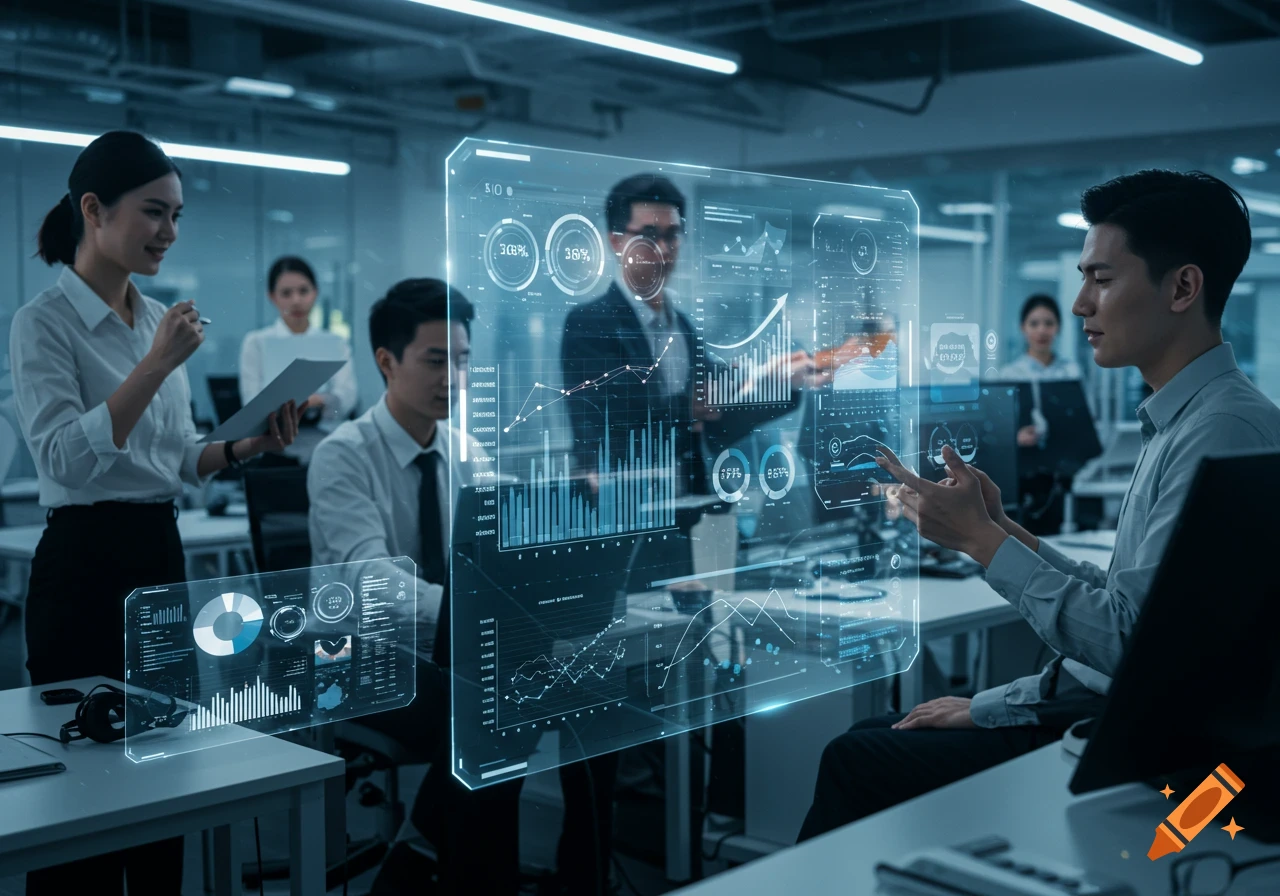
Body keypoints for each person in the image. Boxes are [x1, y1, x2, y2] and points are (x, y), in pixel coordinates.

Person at [800, 169, 1280, 839]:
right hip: (1128, 725)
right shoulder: (1193, 420)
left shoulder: (1220, 433)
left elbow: (1131, 646)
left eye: (1103, 280)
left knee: (856, 757)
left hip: (1156, 757)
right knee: (878, 736)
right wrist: (999, 528)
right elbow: (1134, 608)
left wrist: (982, 545)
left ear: (1183, 287)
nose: (1080, 304)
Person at [13, 130, 305, 893]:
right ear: (93, 211)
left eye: (177, 216)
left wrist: (246, 445)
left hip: (158, 559)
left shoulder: (155, 321)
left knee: (162, 785)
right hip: (83, 564)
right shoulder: (42, 323)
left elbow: (178, 460)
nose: (169, 234)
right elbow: (63, 461)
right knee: (76, 805)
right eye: (153, 213)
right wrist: (155, 365)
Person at [559, 173, 819, 894]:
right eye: (649, 234)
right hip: (625, 532)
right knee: (615, 707)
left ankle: (692, 845)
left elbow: (718, 416)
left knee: (700, 685)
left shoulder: (681, 323)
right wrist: (693, 406)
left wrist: (783, 382)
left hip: (690, 529)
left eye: (673, 234)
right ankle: (590, 869)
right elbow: (605, 429)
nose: (664, 248)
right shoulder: (590, 324)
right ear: (616, 242)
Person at [307, 278, 524, 894]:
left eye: (462, 360)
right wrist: (465, 609)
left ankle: (425, 855)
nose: (454, 377)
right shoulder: (343, 454)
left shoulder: (467, 452)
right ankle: (448, 869)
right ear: (386, 361)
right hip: (351, 654)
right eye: (436, 360)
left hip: (443, 654)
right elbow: (372, 580)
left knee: (528, 695)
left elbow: (500, 554)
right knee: (492, 714)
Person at [239, 255, 357, 462]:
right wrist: (310, 401)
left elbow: (347, 400)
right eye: (286, 293)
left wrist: (318, 401)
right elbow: (252, 405)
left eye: (303, 291)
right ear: (272, 297)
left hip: (328, 448)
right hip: (273, 452)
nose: (296, 300)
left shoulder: (335, 342)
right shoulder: (257, 342)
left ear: (316, 292)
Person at [998, 294, 1084, 533]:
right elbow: (997, 431)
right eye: (1034, 323)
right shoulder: (1010, 375)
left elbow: (1084, 421)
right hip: (1024, 471)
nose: (1042, 330)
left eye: (1049, 323)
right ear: (1022, 328)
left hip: (1061, 470)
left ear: (1058, 328)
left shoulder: (1070, 371)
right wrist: (1015, 438)